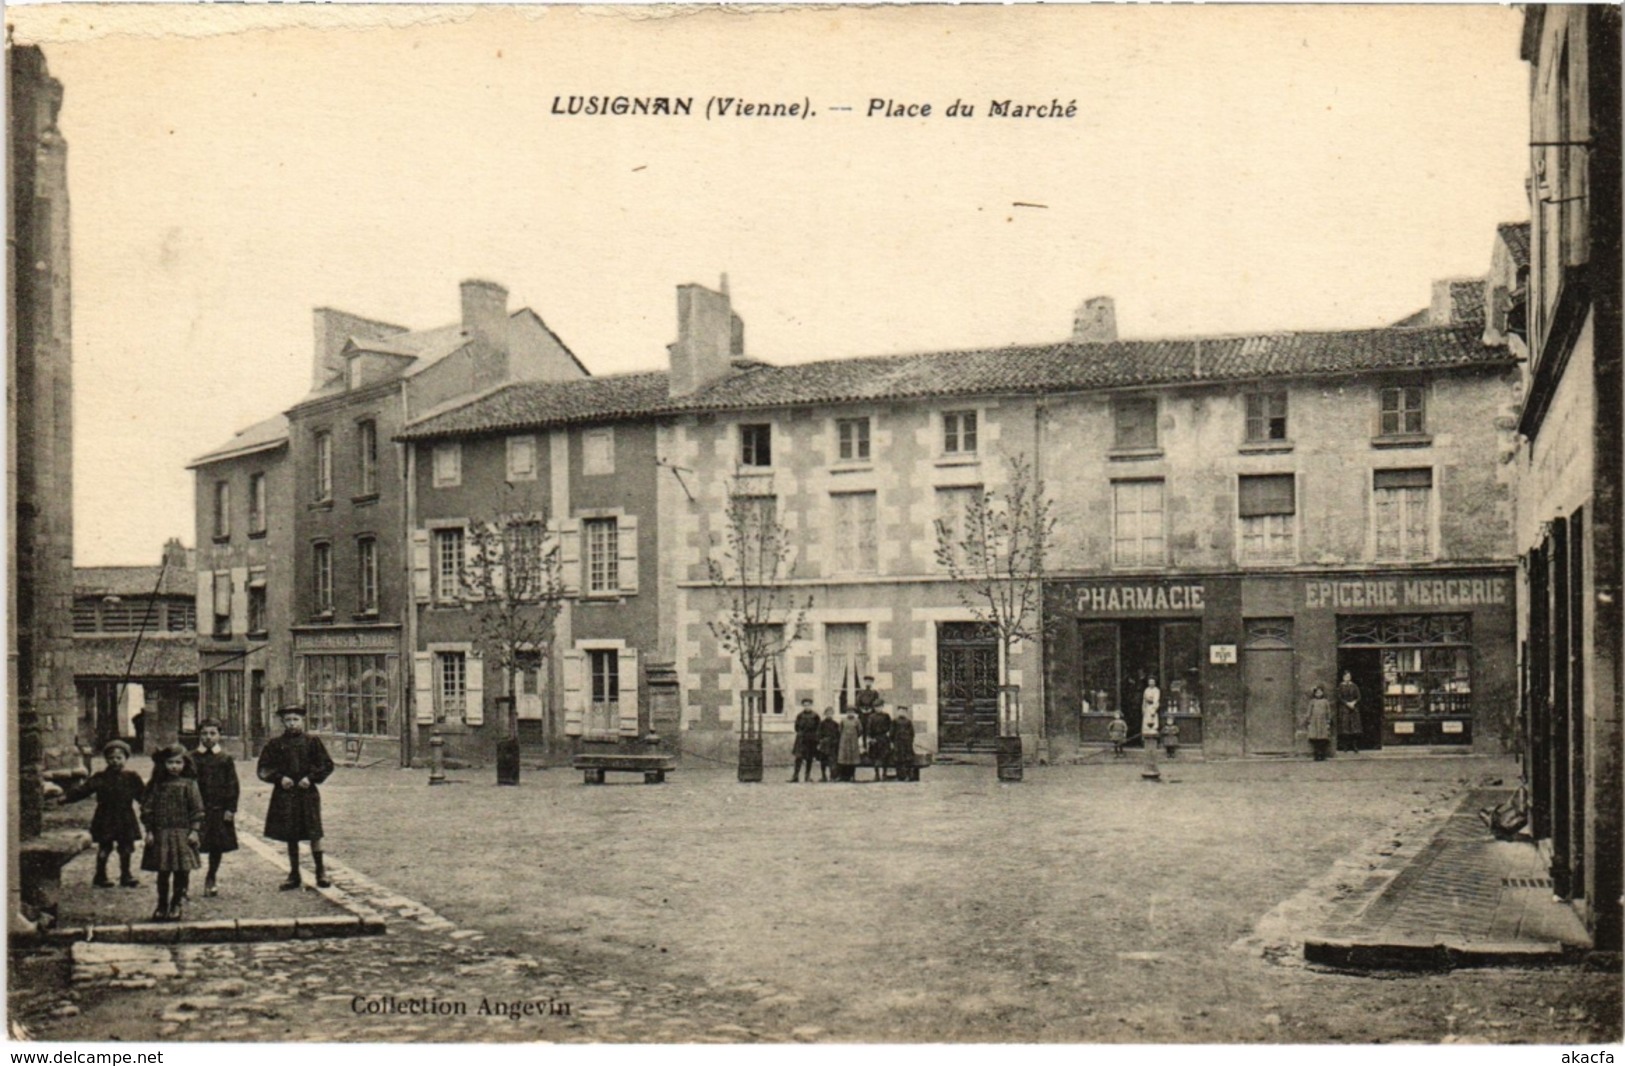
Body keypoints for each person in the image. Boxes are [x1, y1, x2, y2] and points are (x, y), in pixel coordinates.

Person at [257, 706, 336, 890]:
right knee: (290, 833)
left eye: (296, 719)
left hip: (307, 794)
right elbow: (264, 767)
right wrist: (279, 778)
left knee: (314, 831)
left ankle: (320, 872)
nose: (292, 723)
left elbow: (326, 764)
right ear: (283, 722)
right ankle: (294, 874)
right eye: (288, 720)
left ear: (303, 721)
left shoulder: (312, 742)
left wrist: (311, 778)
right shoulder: (275, 744)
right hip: (286, 794)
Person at [58, 740, 144, 888]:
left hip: (125, 816)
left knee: (126, 847)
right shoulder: (100, 777)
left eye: (119, 758)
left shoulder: (132, 777)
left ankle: (126, 875)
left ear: (126, 758)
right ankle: (100, 875)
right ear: (106, 759)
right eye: (111, 758)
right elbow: (84, 790)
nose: (115, 761)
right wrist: (67, 798)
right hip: (105, 816)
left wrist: (152, 804)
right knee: (105, 847)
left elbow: (143, 795)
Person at [140, 743, 203, 921]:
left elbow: (197, 810)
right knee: (163, 872)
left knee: (182, 871)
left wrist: (194, 831)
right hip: (161, 833)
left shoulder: (189, 784)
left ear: (185, 764)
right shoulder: (157, 785)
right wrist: (149, 831)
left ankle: (176, 903)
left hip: (183, 834)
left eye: (178, 762)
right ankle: (161, 904)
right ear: (163, 764)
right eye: (170, 762)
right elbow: (148, 809)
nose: (174, 766)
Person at [192, 718, 240, 897]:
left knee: (216, 845)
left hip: (218, 810)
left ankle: (211, 876)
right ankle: (184, 882)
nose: (208, 737)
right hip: (197, 810)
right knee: (191, 844)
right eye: (204, 733)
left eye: (213, 733)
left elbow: (232, 785)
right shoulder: (191, 757)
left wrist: (230, 809)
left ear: (219, 735)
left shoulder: (225, 759)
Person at [790, 698, 820, 783]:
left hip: (811, 739)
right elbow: (796, 727)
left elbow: (818, 728)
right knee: (798, 758)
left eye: (808, 705)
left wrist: (816, 739)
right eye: (805, 705)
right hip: (801, 739)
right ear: (803, 706)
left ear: (811, 705)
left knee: (809, 758)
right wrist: (800, 733)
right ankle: (795, 776)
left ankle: (807, 776)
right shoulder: (800, 715)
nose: (807, 706)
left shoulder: (815, 716)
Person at [854, 675, 883, 760]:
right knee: (862, 732)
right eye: (866, 681)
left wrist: (871, 710)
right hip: (862, 715)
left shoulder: (875, 693)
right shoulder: (860, 693)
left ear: (872, 683)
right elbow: (857, 704)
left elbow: (877, 704)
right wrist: (861, 710)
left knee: (871, 731)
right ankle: (863, 751)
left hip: (872, 716)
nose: (868, 683)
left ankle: (872, 751)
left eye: (870, 681)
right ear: (864, 682)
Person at [1337, 671, 1363, 753]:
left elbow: (1359, 696)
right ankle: (1345, 746)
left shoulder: (1354, 686)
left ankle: (1355, 746)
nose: (1347, 678)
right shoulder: (1340, 686)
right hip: (1344, 709)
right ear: (1343, 677)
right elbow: (1339, 697)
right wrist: (1346, 703)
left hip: (1353, 708)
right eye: (1346, 676)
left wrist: (1354, 702)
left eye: (1349, 676)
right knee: (1345, 728)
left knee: (1354, 728)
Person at [1306, 685, 1334, 762]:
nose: (1318, 694)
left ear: (1322, 693)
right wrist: (1308, 720)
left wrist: (1328, 721)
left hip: (1323, 721)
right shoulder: (1312, 702)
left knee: (1323, 738)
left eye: (1320, 692)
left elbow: (1328, 712)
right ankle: (1316, 755)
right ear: (1315, 693)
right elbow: (1309, 711)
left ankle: (1322, 755)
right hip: (1314, 721)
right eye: (1317, 692)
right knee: (1315, 738)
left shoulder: (1325, 702)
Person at [836, 708, 862, 783]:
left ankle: (852, 775)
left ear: (854, 713)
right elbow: (840, 730)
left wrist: (854, 737)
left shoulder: (857, 721)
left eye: (852, 712)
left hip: (853, 743)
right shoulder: (843, 720)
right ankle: (844, 776)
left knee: (853, 760)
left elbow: (860, 731)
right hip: (844, 743)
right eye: (848, 712)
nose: (850, 713)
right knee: (844, 759)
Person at [816, 707, 841, 782]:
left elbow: (838, 735)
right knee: (823, 761)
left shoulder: (835, 724)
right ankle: (823, 776)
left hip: (832, 745)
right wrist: (820, 742)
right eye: (827, 713)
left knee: (832, 761)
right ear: (825, 714)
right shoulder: (821, 724)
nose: (829, 715)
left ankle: (832, 776)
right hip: (824, 745)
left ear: (833, 714)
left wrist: (835, 742)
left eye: (830, 713)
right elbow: (818, 734)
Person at [867, 705, 892, 781]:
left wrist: (888, 734)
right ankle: (876, 774)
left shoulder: (886, 716)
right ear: (874, 708)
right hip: (875, 738)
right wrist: (871, 738)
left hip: (884, 738)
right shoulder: (871, 717)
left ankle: (884, 774)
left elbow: (890, 726)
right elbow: (868, 728)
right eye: (876, 707)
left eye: (880, 707)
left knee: (885, 756)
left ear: (882, 707)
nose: (878, 709)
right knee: (875, 756)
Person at [890, 710, 917, 783]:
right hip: (907, 744)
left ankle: (900, 776)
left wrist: (892, 741)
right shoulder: (908, 722)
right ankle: (908, 776)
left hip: (898, 744)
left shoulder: (894, 721)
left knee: (898, 760)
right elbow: (912, 733)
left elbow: (891, 733)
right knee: (907, 760)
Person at [1141, 677, 1162, 748]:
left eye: (1152, 682)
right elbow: (1144, 699)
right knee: (1146, 723)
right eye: (1150, 682)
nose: (1151, 683)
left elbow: (1156, 700)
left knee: (1153, 722)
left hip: (1152, 707)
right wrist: (1143, 708)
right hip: (1147, 708)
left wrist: (1154, 709)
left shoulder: (1156, 690)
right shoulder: (1146, 690)